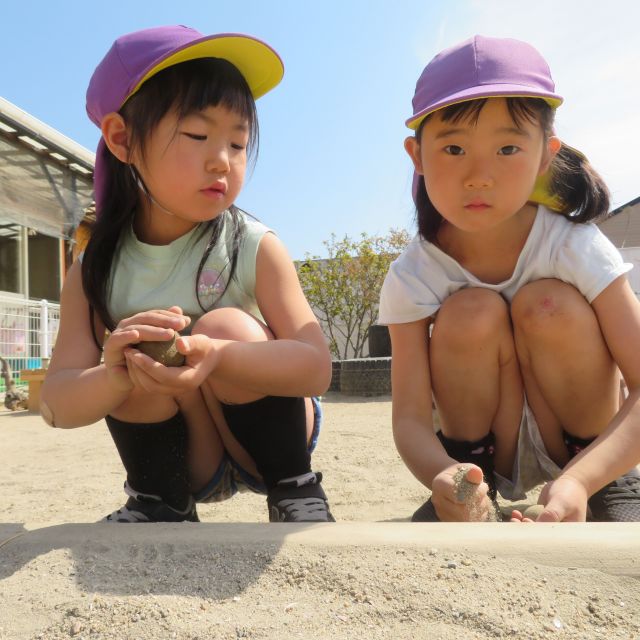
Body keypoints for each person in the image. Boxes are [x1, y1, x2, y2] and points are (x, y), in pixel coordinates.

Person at [40, 25, 334, 524]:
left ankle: (295, 489)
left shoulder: (252, 245)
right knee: (133, 351)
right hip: (186, 458)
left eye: (238, 143)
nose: (222, 160)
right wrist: (113, 376)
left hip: (268, 446)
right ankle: (160, 500)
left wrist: (220, 355)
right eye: (197, 135)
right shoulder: (96, 267)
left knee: (227, 327)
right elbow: (56, 404)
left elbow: (316, 368)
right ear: (122, 139)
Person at [379, 35, 640, 522]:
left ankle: (609, 485)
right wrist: (444, 475)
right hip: (480, 451)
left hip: (584, 451)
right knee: (470, 312)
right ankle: (472, 481)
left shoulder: (572, 245)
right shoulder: (414, 274)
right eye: (454, 148)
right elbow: (411, 419)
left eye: (507, 148)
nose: (479, 176)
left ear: (545, 155)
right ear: (416, 155)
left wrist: (582, 479)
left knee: (548, 304)